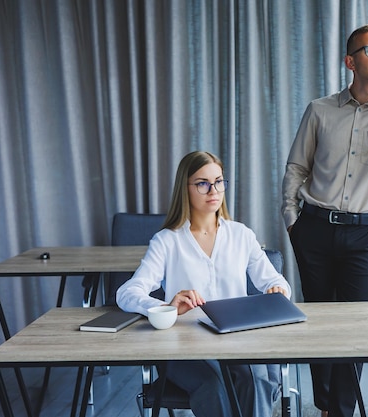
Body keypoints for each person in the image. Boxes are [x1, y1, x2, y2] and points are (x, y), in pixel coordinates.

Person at [281, 24, 368, 417]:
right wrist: (294, 222)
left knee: (353, 331)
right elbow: (296, 168)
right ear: (349, 61)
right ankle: (324, 405)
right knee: (319, 326)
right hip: (315, 230)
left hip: (361, 235)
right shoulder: (319, 110)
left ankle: (340, 411)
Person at [117, 150, 292, 417]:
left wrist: (278, 290)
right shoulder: (167, 241)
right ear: (185, 189)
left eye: (219, 181)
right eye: (203, 183)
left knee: (256, 380)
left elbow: (275, 281)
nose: (214, 190)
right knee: (213, 385)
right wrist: (167, 306)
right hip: (185, 347)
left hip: (236, 342)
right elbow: (128, 293)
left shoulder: (241, 235)